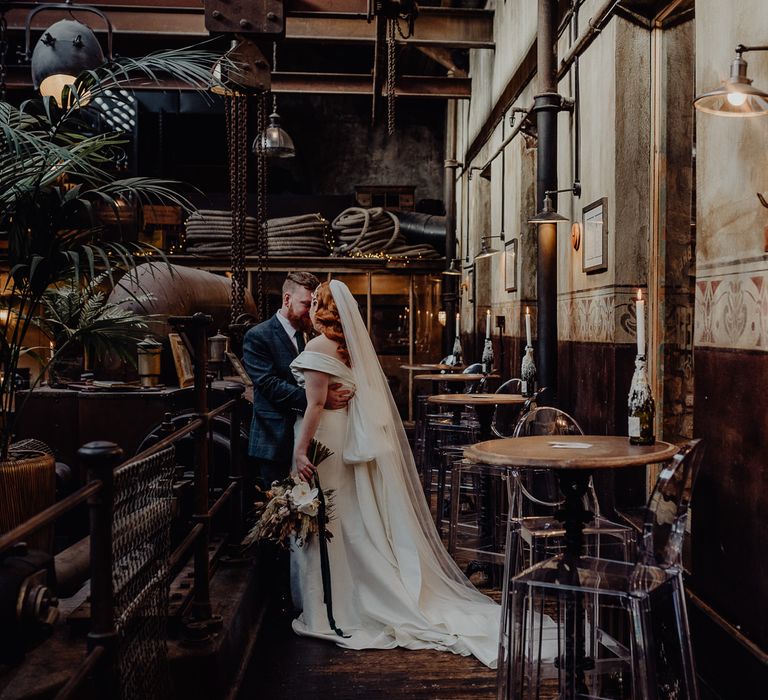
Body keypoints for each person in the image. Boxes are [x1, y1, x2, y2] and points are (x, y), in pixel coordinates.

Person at [288, 279, 502, 668]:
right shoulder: (349, 348)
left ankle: (331, 607)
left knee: (328, 516)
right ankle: (343, 592)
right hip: (342, 437)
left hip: (325, 440)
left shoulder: (317, 347)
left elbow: (315, 405)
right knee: (346, 516)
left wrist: (302, 450)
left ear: (321, 308)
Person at [242, 271, 351, 487]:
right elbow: (269, 384)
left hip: (311, 437)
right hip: (274, 439)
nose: (310, 311)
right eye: (305, 304)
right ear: (286, 299)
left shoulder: (312, 334)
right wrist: (320, 400)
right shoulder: (258, 336)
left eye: (314, 304)